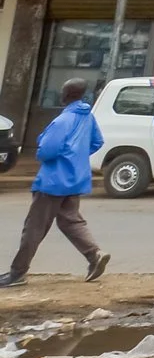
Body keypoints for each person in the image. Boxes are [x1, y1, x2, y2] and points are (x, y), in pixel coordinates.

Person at [1, 80, 108, 287]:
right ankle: (95, 255)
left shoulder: (63, 120)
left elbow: (47, 151)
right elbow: (97, 142)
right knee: (71, 221)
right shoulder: (88, 117)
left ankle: (17, 273)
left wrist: (55, 155)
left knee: (34, 227)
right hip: (75, 179)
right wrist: (76, 157)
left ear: (66, 94)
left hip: (53, 181)